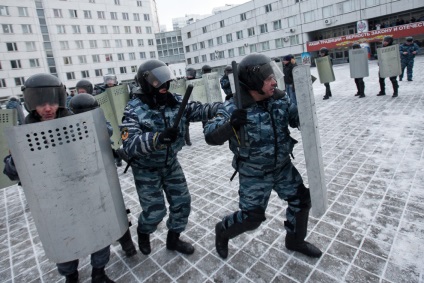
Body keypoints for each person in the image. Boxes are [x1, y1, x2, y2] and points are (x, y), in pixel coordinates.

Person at [203, 53, 322, 260]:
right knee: (252, 219)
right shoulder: (234, 107)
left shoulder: (278, 99)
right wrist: (230, 125)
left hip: (282, 167)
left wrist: (304, 109)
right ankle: (223, 230)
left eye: (272, 76)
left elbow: (296, 116)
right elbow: (210, 135)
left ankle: (295, 240)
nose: (274, 82)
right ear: (254, 82)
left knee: (302, 201)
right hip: (254, 172)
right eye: (268, 79)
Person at [3, 73, 115, 283]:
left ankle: (99, 272)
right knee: (63, 238)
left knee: (99, 231)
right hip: (52, 199)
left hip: (85, 188)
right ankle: (70, 276)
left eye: (52, 102)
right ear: (30, 103)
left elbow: (104, 131)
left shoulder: (75, 120)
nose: (48, 108)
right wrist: (16, 160)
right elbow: (10, 171)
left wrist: (92, 118)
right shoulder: (25, 132)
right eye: (41, 103)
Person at [121, 59, 221, 256]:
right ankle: (143, 232)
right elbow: (130, 144)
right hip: (146, 168)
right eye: (158, 82)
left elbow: (198, 110)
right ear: (146, 83)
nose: (164, 86)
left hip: (170, 164)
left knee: (182, 203)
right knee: (155, 212)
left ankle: (173, 240)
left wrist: (225, 107)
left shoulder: (174, 101)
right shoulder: (134, 108)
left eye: (165, 81)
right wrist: (158, 138)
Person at [70, 87, 137, 259]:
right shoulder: (68, 127)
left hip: (104, 173)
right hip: (83, 177)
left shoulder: (100, 120)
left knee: (116, 210)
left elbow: (107, 131)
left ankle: (126, 242)